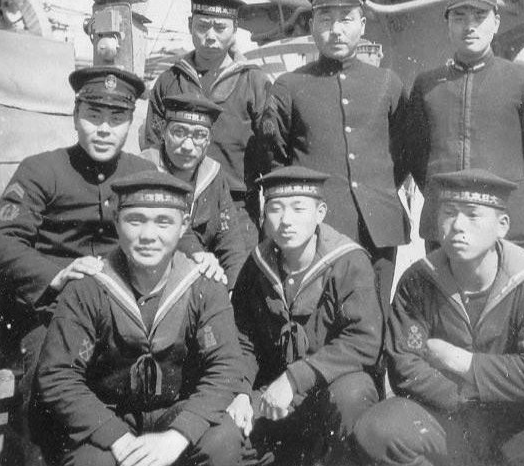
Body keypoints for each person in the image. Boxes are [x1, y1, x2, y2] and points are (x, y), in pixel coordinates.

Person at [354, 168, 524, 466]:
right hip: (445, 415)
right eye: (449, 213)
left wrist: (462, 361)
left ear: (502, 225)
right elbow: (404, 365)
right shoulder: (418, 281)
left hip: (518, 422)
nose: (458, 226)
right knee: (377, 429)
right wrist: (466, 397)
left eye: (473, 215)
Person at [33, 170, 244, 466]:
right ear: (117, 223)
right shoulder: (89, 285)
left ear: (183, 226)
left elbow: (227, 366)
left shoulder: (203, 285)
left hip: (177, 411)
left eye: (163, 222)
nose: (148, 236)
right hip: (107, 416)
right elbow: (58, 375)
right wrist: (116, 437)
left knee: (223, 440)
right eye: (135, 220)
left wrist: (180, 434)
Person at [259, 0, 409, 313]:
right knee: (323, 319)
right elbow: (275, 161)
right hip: (319, 230)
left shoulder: (389, 83)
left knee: (376, 318)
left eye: (346, 18)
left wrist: (377, 187)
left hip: (378, 227)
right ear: (312, 24)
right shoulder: (289, 87)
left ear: (363, 24)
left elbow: (401, 155)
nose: (336, 29)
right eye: (326, 18)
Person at [228, 166, 382, 466]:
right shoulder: (257, 264)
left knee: (350, 397)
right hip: (274, 393)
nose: (286, 221)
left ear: (320, 212)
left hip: (330, 384)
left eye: (299, 208)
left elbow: (363, 340)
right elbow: (243, 339)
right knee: (228, 429)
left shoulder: (349, 261)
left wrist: (295, 379)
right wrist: (242, 392)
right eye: (275, 209)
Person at [404, 0, 524, 256]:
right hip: (446, 233)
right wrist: (445, 203)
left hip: (508, 232)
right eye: (460, 17)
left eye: (479, 16)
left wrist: (512, 209)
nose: (470, 26)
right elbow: (417, 157)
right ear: (448, 24)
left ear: (496, 23)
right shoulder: (427, 85)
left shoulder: (523, 79)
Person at [144, 0, 271, 251]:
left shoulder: (254, 81)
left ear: (234, 29)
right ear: (190, 24)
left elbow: (271, 153)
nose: (210, 36)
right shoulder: (169, 81)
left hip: (238, 209)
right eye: (202, 26)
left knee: (239, 283)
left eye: (220, 28)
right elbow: (152, 146)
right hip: (175, 204)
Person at [141, 93, 248, 291]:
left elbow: (230, 241)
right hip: (152, 280)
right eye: (179, 132)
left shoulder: (214, 175)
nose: (188, 146)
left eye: (199, 135)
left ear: (208, 141)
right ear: (163, 132)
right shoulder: (145, 167)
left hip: (198, 280)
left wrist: (236, 290)